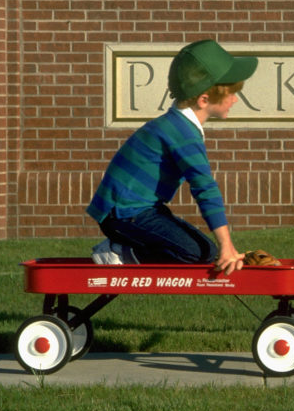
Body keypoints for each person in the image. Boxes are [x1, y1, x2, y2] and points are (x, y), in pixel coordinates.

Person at [88, 39, 258, 275]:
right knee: (196, 254)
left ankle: (126, 248)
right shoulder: (182, 133)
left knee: (205, 252)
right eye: (231, 93)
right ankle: (119, 252)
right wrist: (227, 246)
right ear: (204, 99)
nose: (235, 99)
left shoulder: (177, 125)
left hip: (136, 210)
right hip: (124, 215)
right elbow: (204, 187)